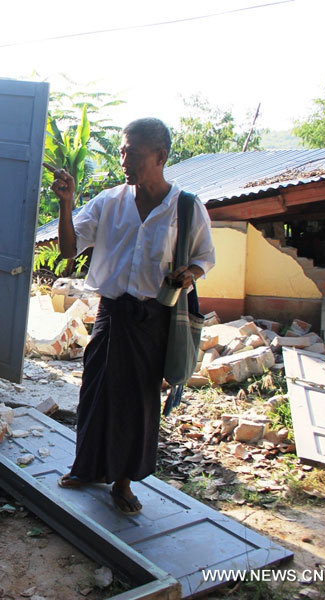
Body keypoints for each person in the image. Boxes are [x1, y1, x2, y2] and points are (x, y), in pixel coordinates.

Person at [46, 117, 215, 515]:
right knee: (95, 393)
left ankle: (122, 482)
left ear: (160, 156)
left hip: (153, 319)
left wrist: (187, 274)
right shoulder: (109, 201)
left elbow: (204, 259)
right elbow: (70, 249)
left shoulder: (186, 208)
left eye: (133, 152)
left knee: (136, 404)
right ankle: (86, 467)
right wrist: (66, 203)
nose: (124, 159)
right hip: (111, 315)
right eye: (122, 151)